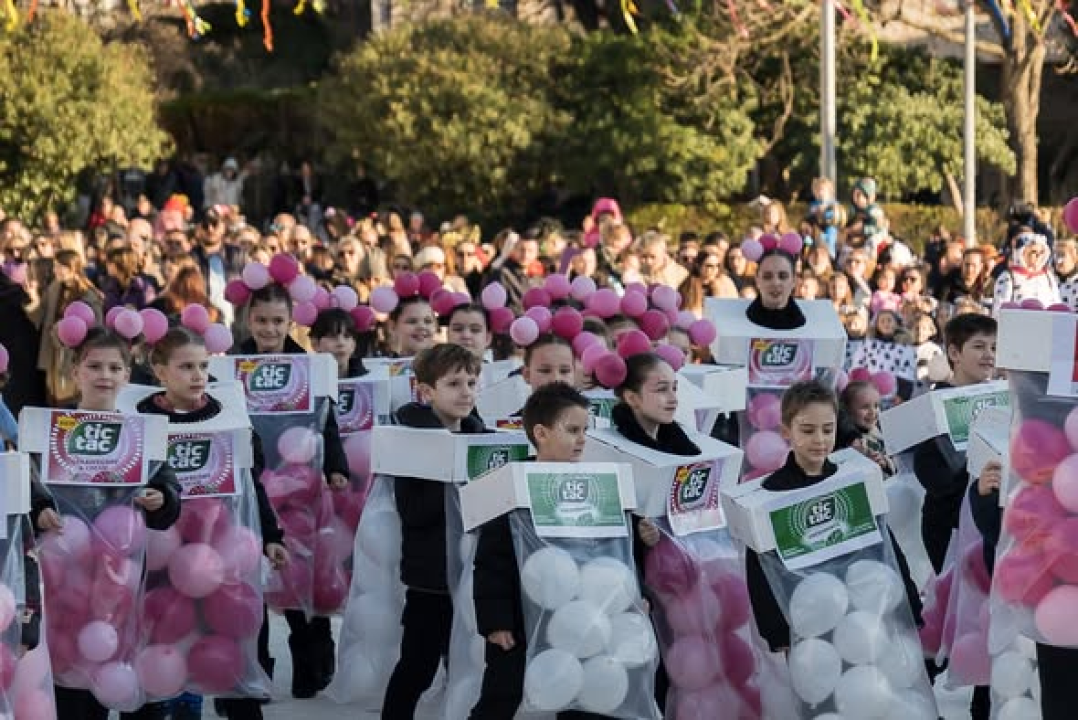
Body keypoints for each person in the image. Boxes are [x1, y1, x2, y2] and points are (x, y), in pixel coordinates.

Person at [136, 327, 289, 720]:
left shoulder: (231, 416)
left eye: (203, 365)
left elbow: (250, 484)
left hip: (223, 555)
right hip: (161, 560)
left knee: (232, 648)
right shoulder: (136, 419)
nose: (198, 375)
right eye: (186, 366)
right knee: (163, 646)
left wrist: (271, 535)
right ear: (160, 370)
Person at [41, 328, 181, 719]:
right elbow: (31, 488)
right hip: (67, 584)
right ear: (75, 370)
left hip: (123, 584)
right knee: (72, 683)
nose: (104, 374)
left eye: (114, 367)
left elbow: (169, 490)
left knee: (121, 671)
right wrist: (39, 510)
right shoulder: (51, 428)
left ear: (127, 375)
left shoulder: (143, 433)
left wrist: (160, 499)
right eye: (94, 365)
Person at [470, 382, 631, 720]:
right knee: (500, 697)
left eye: (586, 429)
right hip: (518, 623)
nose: (583, 438)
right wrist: (496, 621)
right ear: (540, 433)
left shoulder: (594, 486)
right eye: (572, 430)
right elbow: (490, 563)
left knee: (582, 698)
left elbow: (610, 552)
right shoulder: (511, 486)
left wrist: (633, 594)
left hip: (578, 618)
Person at [744, 380, 921, 653]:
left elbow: (884, 540)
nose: (819, 439)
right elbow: (760, 564)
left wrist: (909, 600)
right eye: (807, 430)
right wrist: (776, 632)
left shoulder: (852, 480)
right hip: (808, 624)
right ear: (786, 431)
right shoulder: (771, 493)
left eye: (828, 430)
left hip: (864, 614)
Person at [236, 283, 350, 699]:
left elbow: (327, 420)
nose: (269, 328)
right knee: (251, 580)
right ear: (250, 320)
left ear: (290, 322)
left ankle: (312, 661)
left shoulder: (310, 366)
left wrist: (335, 465)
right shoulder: (232, 365)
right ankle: (254, 673)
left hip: (300, 488)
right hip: (250, 486)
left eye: (277, 321)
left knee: (302, 576)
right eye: (262, 320)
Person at [383, 344, 488, 719]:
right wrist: (453, 482)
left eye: (471, 382)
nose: (465, 392)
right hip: (430, 580)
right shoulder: (409, 441)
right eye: (453, 383)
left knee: (469, 668)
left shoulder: (482, 438)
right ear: (426, 392)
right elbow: (412, 512)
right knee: (418, 667)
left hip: (475, 576)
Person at [968, 459, 1078, 719]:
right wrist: (985, 497)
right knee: (1065, 698)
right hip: (1060, 615)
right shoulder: (1039, 455)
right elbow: (1009, 536)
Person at [912, 313, 997, 574]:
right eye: (979, 346)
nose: (989, 355)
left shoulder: (1002, 398)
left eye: (994, 347)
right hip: (948, 525)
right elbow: (926, 468)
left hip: (989, 519)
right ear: (954, 353)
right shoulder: (934, 405)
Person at [836, 380, 895, 476]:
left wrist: (885, 463)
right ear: (847, 410)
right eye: (865, 407)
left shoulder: (878, 433)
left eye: (876, 406)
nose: (872, 412)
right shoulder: (847, 442)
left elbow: (894, 462)